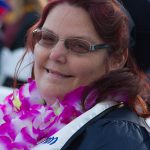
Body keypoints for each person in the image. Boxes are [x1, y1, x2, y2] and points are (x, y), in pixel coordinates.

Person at [0, 0, 150, 149]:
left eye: (79, 45)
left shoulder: (117, 139)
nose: (55, 54)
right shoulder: (25, 110)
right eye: (47, 38)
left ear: (116, 59)